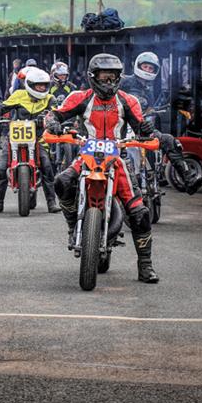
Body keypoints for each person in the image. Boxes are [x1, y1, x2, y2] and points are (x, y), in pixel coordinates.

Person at [47, 53, 159, 283]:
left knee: (140, 212)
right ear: (93, 77)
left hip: (118, 160)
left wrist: (148, 131)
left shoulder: (129, 101)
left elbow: (140, 126)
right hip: (86, 156)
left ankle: (145, 265)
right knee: (61, 182)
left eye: (113, 77)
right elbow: (55, 114)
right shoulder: (81, 98)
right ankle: (72, 224)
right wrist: (53, 123)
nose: (109, 82)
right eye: (104, 77)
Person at [120, 51, 202, 195]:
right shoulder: (124, 81)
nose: (147, 70)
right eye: (145, 66)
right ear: (138, 66)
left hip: (140, 128)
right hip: (119, 127)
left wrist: (149, 117)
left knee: (170, 141)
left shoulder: (149, 90)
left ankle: (188, 178)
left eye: (151, 68)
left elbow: (149, 110)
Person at [0, 68, 61, 214]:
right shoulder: (19, 95)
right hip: (14, 137)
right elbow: (2, 106)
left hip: (38, 138)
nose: (42, 88)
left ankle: (51, 202)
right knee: (2, 168)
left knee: (46, 166)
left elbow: (57, 113)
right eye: (38, 85)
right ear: (30, 84)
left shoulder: (49, 99)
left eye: (44, 85)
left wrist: (53, 121)